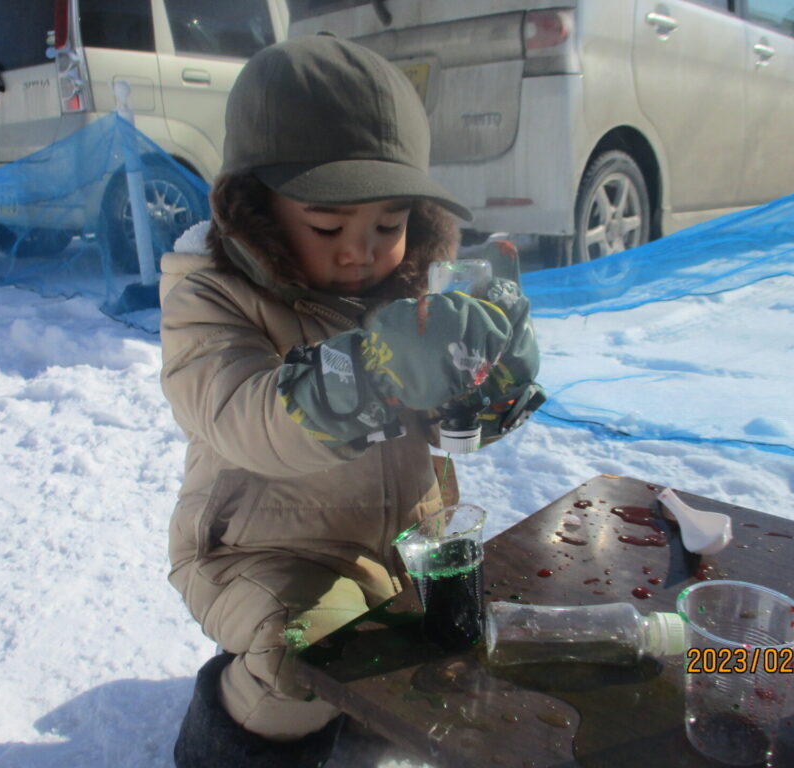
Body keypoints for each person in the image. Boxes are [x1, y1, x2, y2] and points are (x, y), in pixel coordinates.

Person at [159, 35, 541, 768]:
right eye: (329, 226)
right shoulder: (207, 300)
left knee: (433, 637)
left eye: (389, 226)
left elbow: (439, 418)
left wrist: (486, 387)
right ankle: (228, 742)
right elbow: (247, 417)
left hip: (399, 545)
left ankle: (358, 706)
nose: (359, 252)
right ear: (255, 211)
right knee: (306, 658)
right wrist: (375, 370)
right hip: (263, 553)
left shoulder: (402, 297)